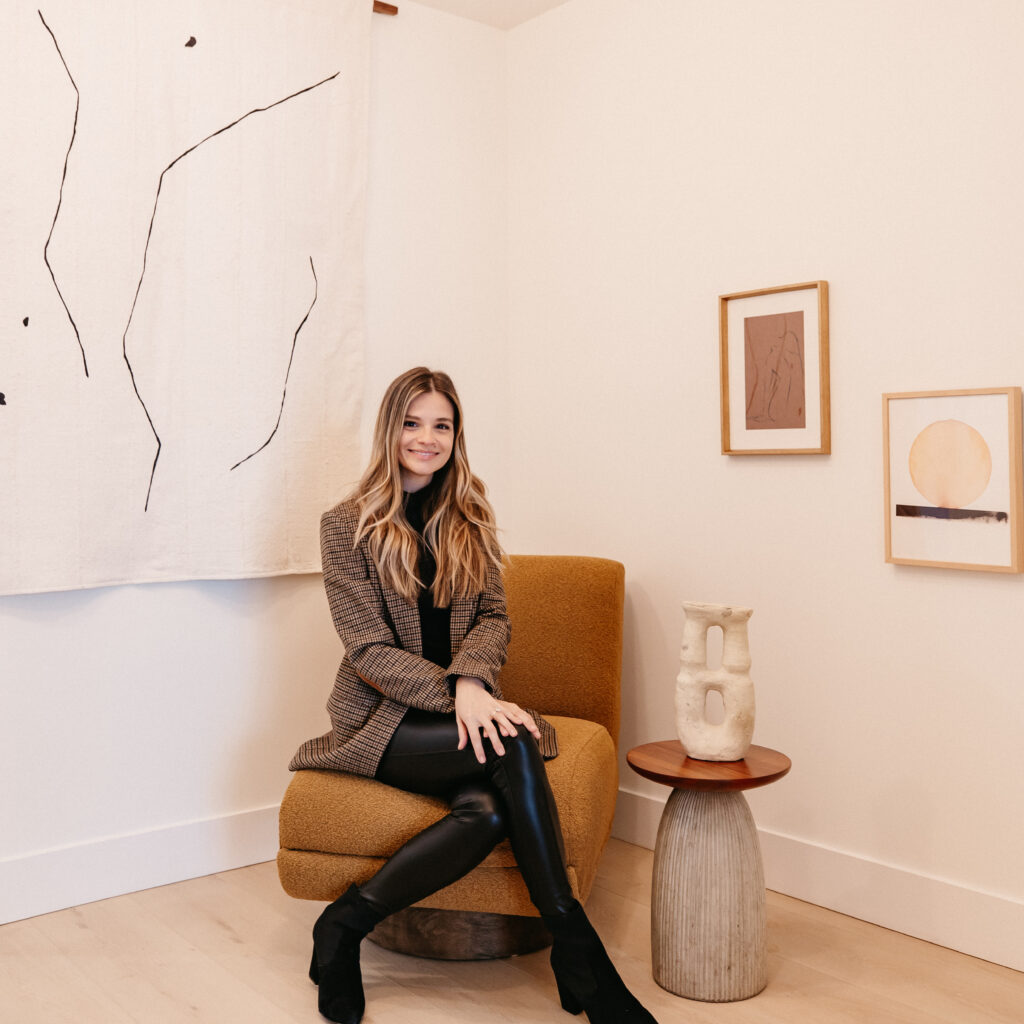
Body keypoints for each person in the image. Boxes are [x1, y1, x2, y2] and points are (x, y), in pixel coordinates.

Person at [289, 367, 658, 1024]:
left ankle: (343, 925)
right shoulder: (345, 525)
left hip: (462, 708)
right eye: (412, 422)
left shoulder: (471, 511)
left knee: (486, 816)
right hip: (384, 720)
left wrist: (469, 684)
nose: (426, 438)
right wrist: (458, 696)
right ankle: (578, 953)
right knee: (512, 740)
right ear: (390, 428)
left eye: (441, 425)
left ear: (456, 435)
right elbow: (368, 650)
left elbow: (495, 619)